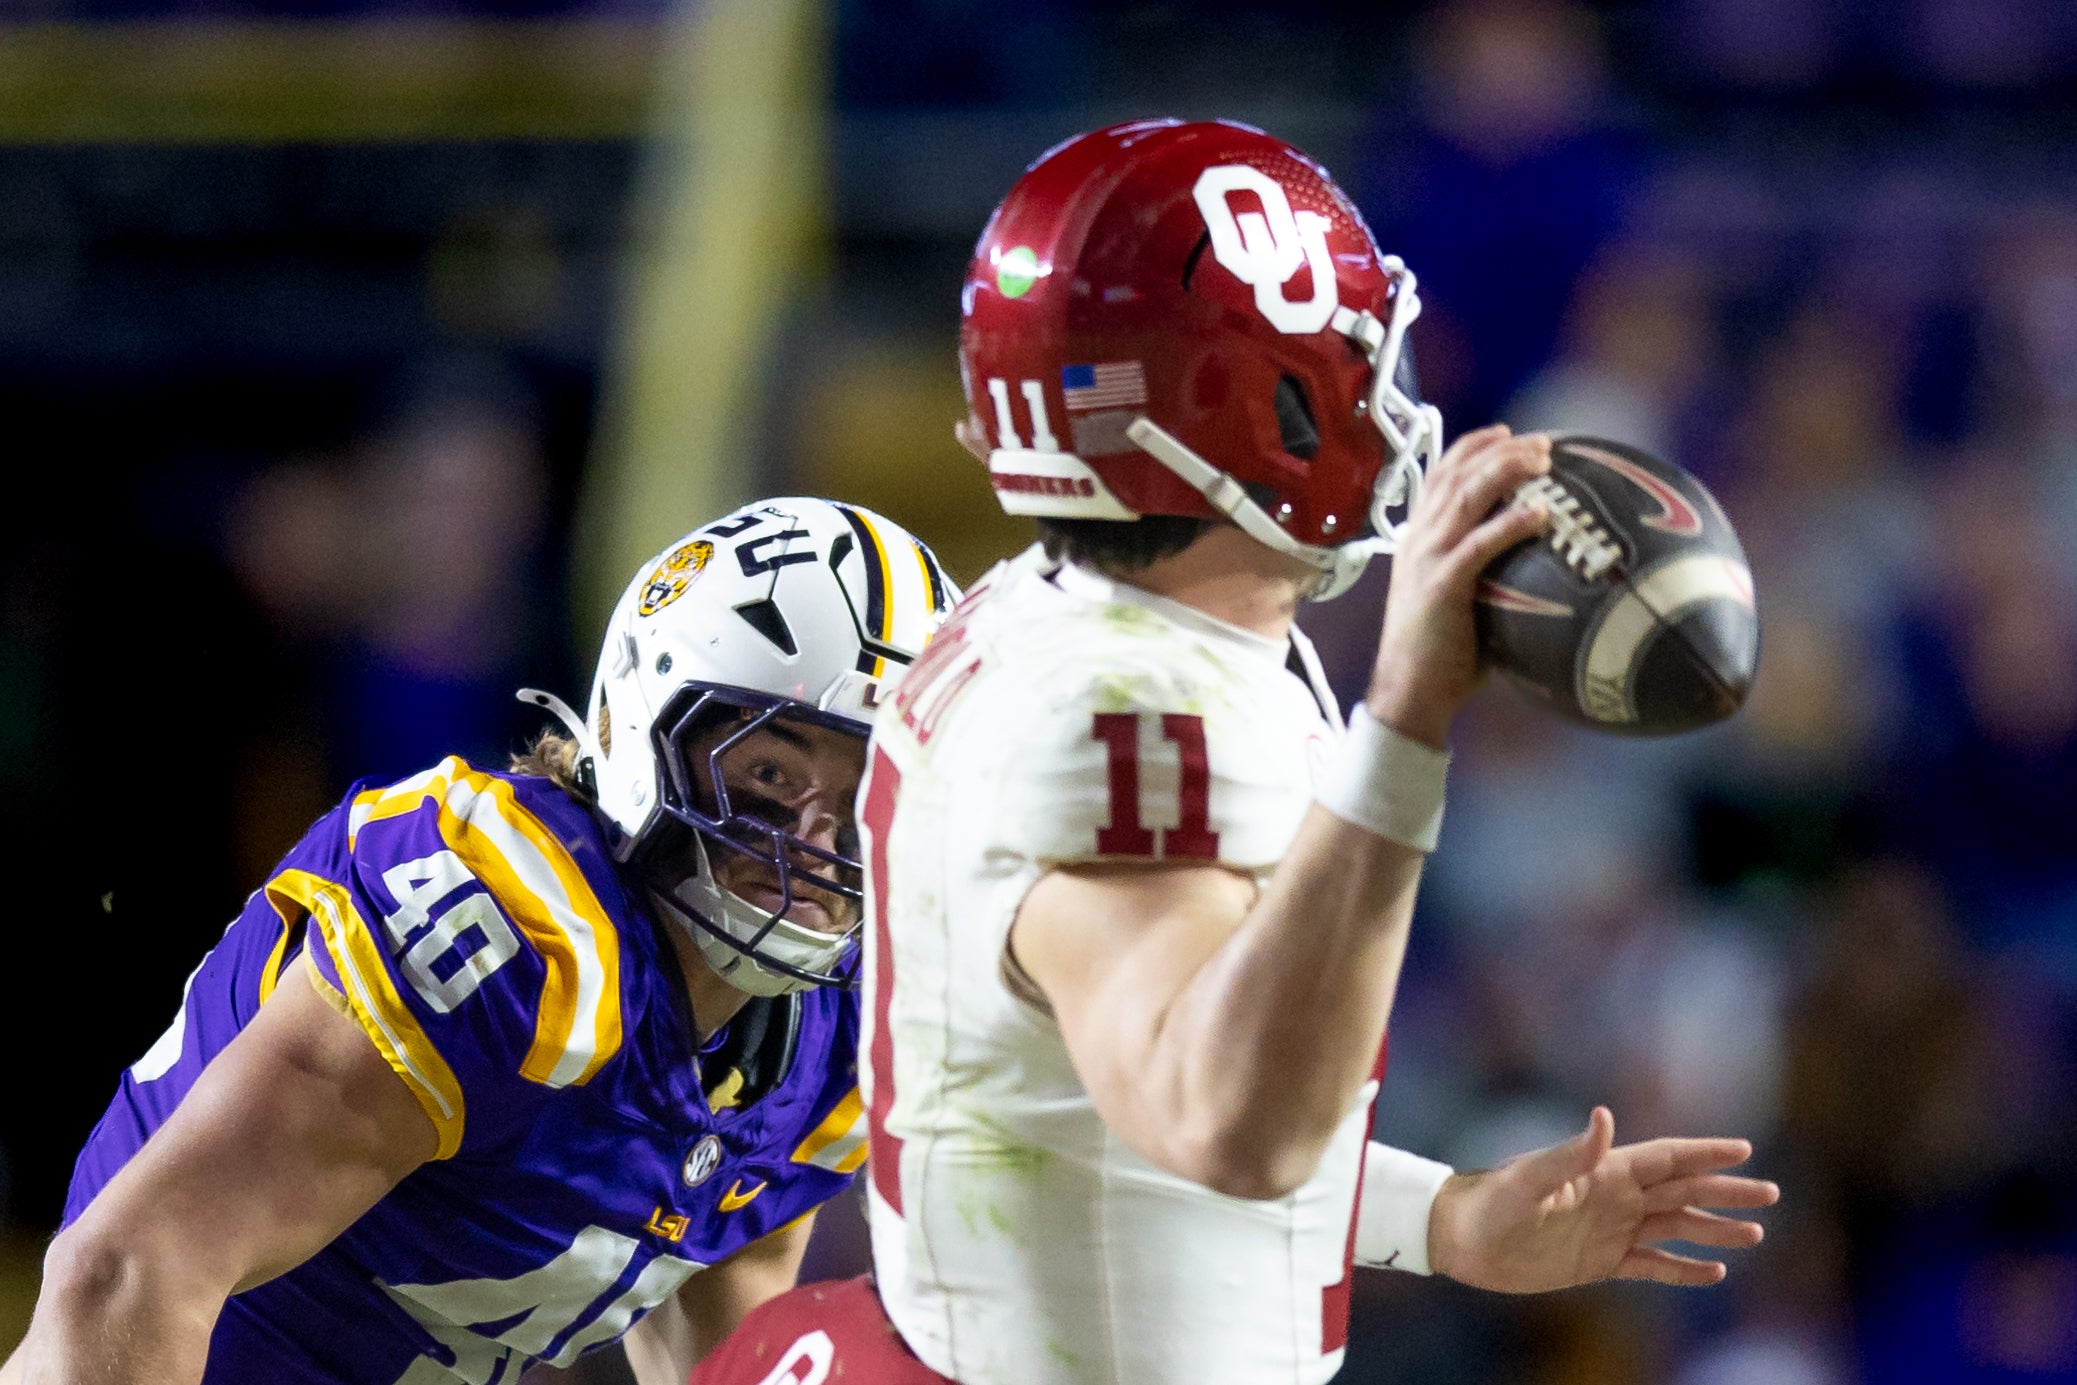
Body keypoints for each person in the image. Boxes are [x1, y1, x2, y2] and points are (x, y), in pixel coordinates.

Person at [690, 120, 1780, 1385]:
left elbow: (1096, 1123)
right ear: (1254, 409)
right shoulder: (1124, 722)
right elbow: (1220, 1120)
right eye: (1349, 356)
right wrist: (1407, 724)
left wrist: (1440, 1219)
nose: (1389, 391)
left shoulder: (1081, 619)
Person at [3, 497, 957, 1385]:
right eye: (765, 773)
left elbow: (721, 1319)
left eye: (865, 787)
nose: (814, 845)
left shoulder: (839, 1024)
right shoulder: (522, 942)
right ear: (642, 729)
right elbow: (124, 1274)